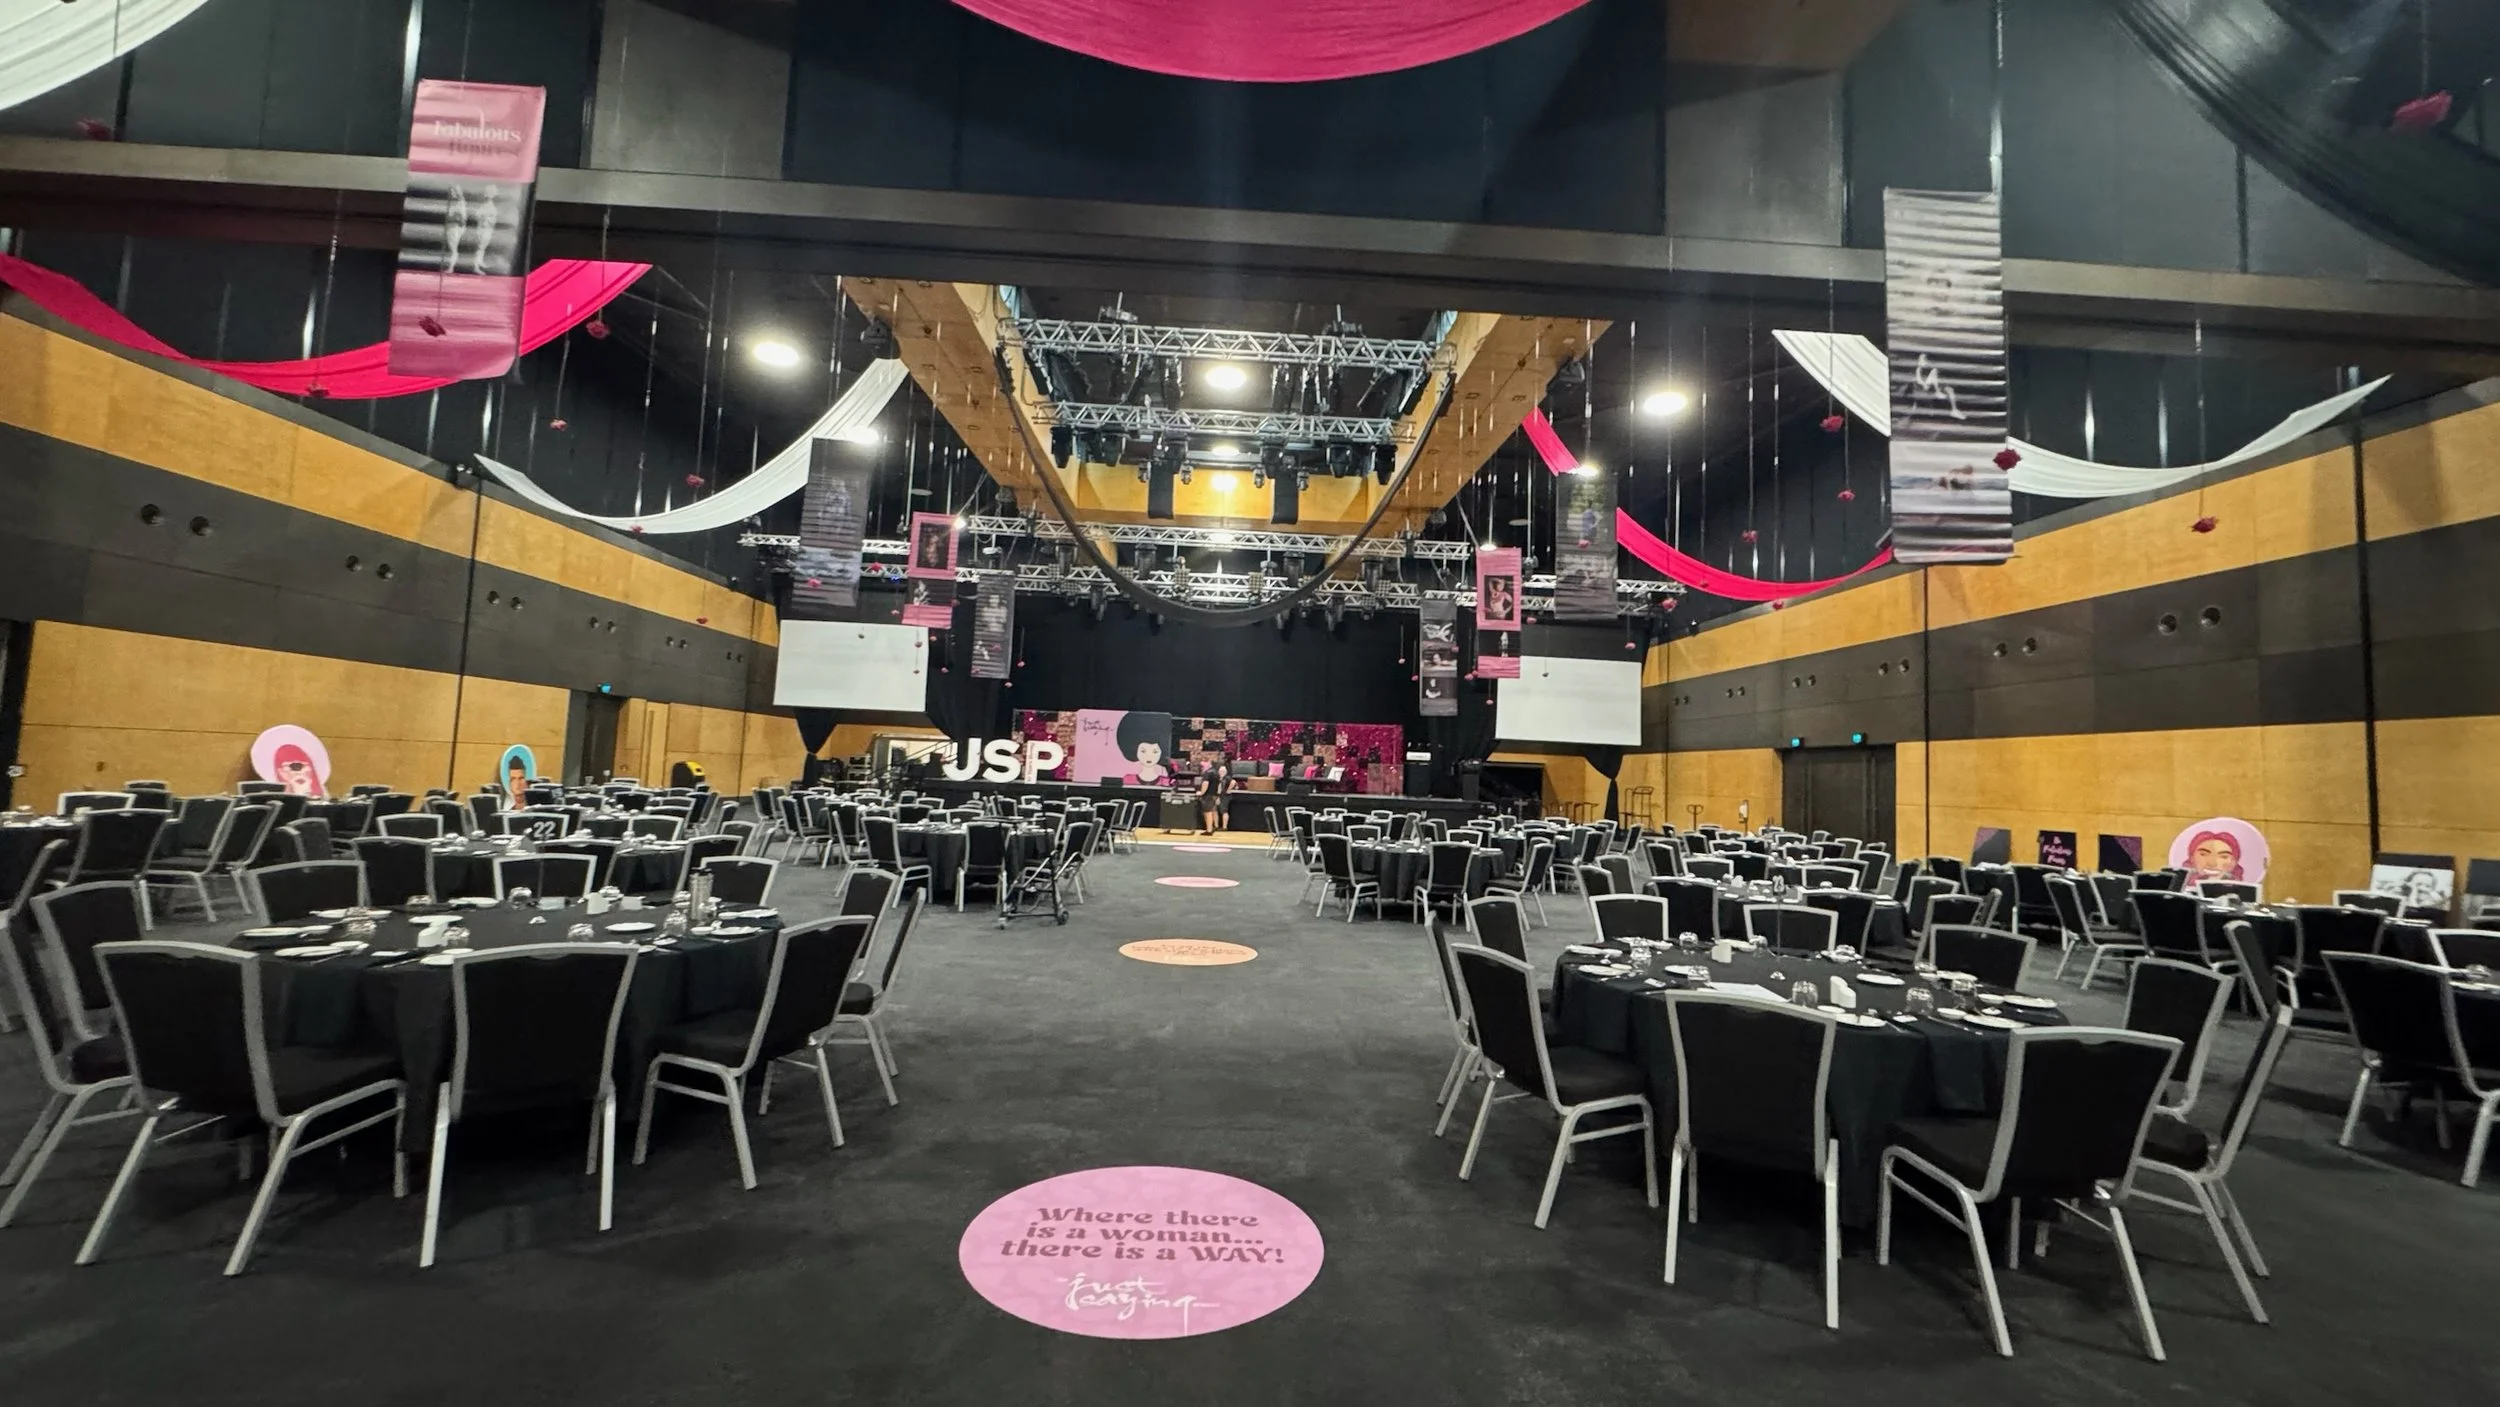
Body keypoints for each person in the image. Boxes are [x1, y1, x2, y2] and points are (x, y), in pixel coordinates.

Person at [1195, 755, 1232, 836]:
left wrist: (1201, 793)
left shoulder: (1207, 773)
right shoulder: (1217, 774)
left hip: (1208, 795)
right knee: (1212, 811)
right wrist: (1218, 795)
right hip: (1214, 795)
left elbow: (1205, 784)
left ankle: (1209, 829)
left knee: (1207, 812)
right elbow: (1219, 786)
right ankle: (1212, 827)